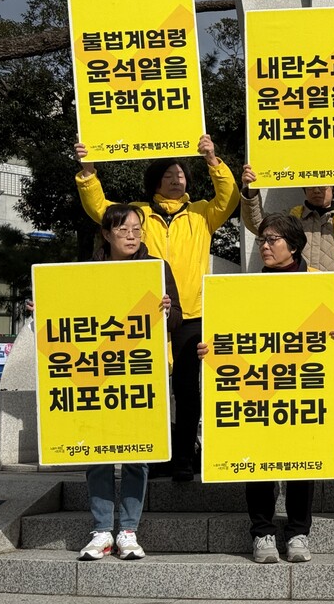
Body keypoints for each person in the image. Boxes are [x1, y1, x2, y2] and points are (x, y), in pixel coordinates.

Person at [75, 135, 240, 482]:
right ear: (154, 182)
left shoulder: (202, 214)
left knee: (186, 388)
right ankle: (152, 452)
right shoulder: (139, 213)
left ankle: (182, 457)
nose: (176, 179)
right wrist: (88, 172)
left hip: (190, 313)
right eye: (168, 175)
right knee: (148, 387)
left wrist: (213, 160)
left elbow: (230, 197)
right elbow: (101, 210)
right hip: (143, 316)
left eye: (180, 175)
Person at [198, 212, 334, 564]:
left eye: (272, 240)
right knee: (260, 459)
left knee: (301, 458)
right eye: (262, 240)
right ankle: (263, 533)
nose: (265, 246)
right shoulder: (247, 286)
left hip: (300, 385)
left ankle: (298, 532)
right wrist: (209, 349)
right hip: (258, 386)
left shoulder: (318, 282)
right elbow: (224, 334)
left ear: (294, 246)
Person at [79, 204, 183, 560]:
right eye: (123, 229)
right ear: (107, 233)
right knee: (98, 451)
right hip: (99, 371)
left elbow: (176, 323)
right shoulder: (89, 270)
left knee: (138, 452)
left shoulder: (156, 269)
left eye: (137, 228)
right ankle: (100, 529)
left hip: (143, 371)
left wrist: (167, 309)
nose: (131, 234)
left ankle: (127, 530)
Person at [240, 165, 334, 393]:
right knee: (299, 376)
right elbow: (259, 226)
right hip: (296, 302)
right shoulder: (293, 216)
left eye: (324, 185)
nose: (317, 189)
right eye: (312, 184)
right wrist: (250, 192)